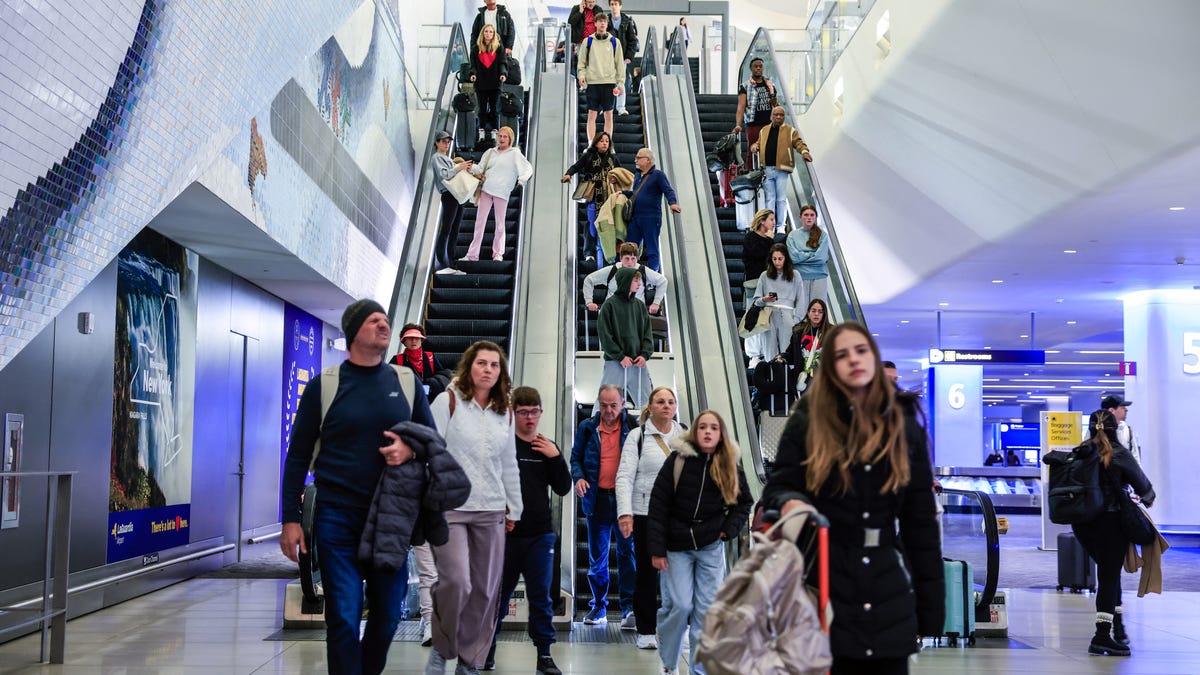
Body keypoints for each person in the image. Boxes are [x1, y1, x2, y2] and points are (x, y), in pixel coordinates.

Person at [762, 322, 944, 674]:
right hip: (825, 583)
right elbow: (777, 486)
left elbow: (920, 525)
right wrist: (789, 500)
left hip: (887, 585)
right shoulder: (808, 419)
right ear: (830, 366)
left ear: (874, 358)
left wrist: (930, 612)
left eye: (861, 351)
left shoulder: (903, 422)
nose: (853, 360)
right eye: (841, 355)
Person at [280, 299, 436, 675]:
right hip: (338, 516)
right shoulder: (325, 386)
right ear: (353, 333)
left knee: (386, 615)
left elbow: (431, 440)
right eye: (373, 320)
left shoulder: (406, 382)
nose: (384, 326)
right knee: (344, 616)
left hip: (389, 519)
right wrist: (291, 518)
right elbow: (298, 455)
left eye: (386, 320)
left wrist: (410, 445)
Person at [425, 341, 523, 675]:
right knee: (456, 582)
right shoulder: (448, 401)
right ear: (470, 367)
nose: (488, 370)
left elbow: (508, 462)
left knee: (484, 590)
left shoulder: (505, 411)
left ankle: (470, 660)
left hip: (492, 509)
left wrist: (515, 507)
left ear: (501, 373)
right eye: (482, 363)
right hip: (451, 507)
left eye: (495, 365)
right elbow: (430, 449)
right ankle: (442, 647)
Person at [647, 410, 753, 675]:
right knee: (680, 606)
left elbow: (744, 503)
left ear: (720, 434)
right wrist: (657, 550)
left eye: (713, 428)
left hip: (710, 547)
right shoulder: (678, 460)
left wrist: (726, 531)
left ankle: (699, 670)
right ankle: (669, 662)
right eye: (703, 427)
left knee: (706, 613)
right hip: (676, 547)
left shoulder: (729, 464)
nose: (707, 432)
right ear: (695, 431)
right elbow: (658, 506)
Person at [485, 386, 570, 675]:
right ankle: (486, 650)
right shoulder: (502, 445)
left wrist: (555, 456)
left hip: (539, 535)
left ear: (541, 412)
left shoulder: (547, 446)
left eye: (535, 411)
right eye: (524, 412)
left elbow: (563, 487)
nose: (530, 418)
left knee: (541, 598)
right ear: (513, 412)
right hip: (504, 536)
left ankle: (544, 655)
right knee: (497, 598)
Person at [1072, 409, 1155, 657]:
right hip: (1111, 522)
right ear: (1114, 428)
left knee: (1109, 575)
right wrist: (1144, 498)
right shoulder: (1118, 453)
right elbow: (1145, 487)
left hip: (1083, 524)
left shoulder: (1081, 452)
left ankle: (1117, 629)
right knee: (1108, 578)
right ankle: (1101, 636)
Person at [615, 386, 686, 648]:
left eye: (671, 401)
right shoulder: (638, 436)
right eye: (660, 401)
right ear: (650, 407)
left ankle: (681, 627)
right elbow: (624, 476)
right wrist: (625, 512)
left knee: (681, 572)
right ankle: (646, 630)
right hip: (646, 514)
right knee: (646, 572)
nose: (666, 406)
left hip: (678, 516)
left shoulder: (686, 436)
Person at [570, 384, 638, 626]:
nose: (609, 410)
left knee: (626, 554)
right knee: (597, 557)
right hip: (596, 499)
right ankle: (598, 607)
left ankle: (629, 608)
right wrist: (578, 477)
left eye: (613, 405)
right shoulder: (587, 428)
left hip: (624, 500)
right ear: (598, 405)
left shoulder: (633, 428)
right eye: (604, 405)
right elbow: (575, 458)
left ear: (622, 404)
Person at [466, 126, 532, 262]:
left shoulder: (515, 154)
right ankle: (472, 254)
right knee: (479, 223)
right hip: (486, 189)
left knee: (500, 224)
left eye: (505, 136)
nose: (501, 139)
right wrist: (469, 167)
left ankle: (498, 254)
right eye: (500, 136)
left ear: (510, 139)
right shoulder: (490, 152)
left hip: (502, 192)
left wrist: (522, 180)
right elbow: (480, 168)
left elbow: (527, 168)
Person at [598, 266, 654, 407]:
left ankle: (651, 429)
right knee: (606, 403)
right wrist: (619, 356)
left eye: (639, 280)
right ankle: (596, 429)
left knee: (648, 405)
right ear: (625, 281)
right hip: (615, 363)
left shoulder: (640, 306)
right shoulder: (609, 306)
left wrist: (644, 355)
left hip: (638, 363)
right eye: (635, 280)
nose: (639, 284)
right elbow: (605, 336)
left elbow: (647, 333)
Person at [562, 131, 622, 263]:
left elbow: (620, 173)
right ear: (595, 142)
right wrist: (568, 174)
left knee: (607, 223)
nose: (605, 143)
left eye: (607, 141)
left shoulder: (613, 158)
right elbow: (576, 166)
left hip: (609, 196)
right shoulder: (588, 155)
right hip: (594, 195)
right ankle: (589, 251)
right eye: (602, 141)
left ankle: (607, 251)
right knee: (592, 223)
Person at [749, 106, 812, 229]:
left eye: (781, 115)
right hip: (767, 169)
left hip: (782, 170)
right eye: (776, 114)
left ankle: (781, 227)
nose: (778, 117)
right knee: (770, 199)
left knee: (781, 199)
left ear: (784, 117)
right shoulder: (764, 130)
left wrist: (804, 152)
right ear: (771, 116)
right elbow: (759, 143)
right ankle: (768, 226)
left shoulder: (790, 130)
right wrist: (754, 146)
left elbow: (799, 143)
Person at [626, 148, 681, 272]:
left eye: (638, 158)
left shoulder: (658, 175)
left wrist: (672, 203)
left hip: (651, 218)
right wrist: (623, 193)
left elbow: (668, 190)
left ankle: (651, 278)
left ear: (647, 160)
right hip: (635, 218)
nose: (635, 160)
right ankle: (628, 274)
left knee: (652, 249)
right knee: (629, 248)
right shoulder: (638, 176)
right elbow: (635, 193)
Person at [751, 243, 804, 361]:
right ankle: (771, 378)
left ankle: (787, 378)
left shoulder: (795, 275)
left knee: (787, 353)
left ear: (786, 259)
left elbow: (801, 300)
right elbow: (756, 301)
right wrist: (764, 299)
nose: (777, 262)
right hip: (768, 315)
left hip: (788, 315)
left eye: (780, 258)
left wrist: (796, 320)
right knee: (769, 353)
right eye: (774, 259)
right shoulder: (764, 276)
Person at [577, 12, 625, 142]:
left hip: (609, 82)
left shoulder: (615, 42)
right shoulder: (588, 41)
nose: (602, 23)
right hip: (593, 82)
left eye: (605, 21)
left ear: (607, 23)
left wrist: (620, 83)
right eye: (600, 21)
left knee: (608, 114)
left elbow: (619, 64)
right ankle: (591, 144)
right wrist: (581, 75)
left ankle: (607, 143)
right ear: (595, 23)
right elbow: (581, 62)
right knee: (591, 114)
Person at [583, 242, 668, 315]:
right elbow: (589, 280)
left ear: (637, 259)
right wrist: (589, 302)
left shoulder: (643, 271)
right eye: (627, 258)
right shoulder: (612, 270)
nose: (630, 263)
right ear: (620, 258)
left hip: (636, 315)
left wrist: (656, 303)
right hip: (612, 315)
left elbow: (662, 281)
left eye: (633, 259)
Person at [430, 131, 471, 274]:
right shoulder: (437, 157)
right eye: (443, 141)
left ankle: (451, 264)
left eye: (448, 142)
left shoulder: (446, 158)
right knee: (447, 229)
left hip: (456, 194)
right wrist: (458, 167)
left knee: (454, 230)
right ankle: (442, 264)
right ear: (437, 142)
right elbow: (444, 175)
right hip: (449, 194)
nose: (446, 144)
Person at [742, 209, 778, 364]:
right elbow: (758, 254)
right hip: (754, 282)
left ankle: (766, 352)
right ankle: (754, 354)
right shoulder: (751, 237)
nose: (773, 222)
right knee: (753, 316)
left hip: (769, 282)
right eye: (771, 219)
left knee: (767, 317)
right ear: (762, 221)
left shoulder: (771, 239)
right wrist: (769, 240)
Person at [783, 297, 832, 397]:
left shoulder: (832, 332)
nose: (816, 314)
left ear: (824, 315)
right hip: (803, 371)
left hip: (823, 373)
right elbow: (791, 354)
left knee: (816, 372)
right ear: (808, 313)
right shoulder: (798, 332)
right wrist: (781, 357)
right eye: (813, 311)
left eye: (820, 312)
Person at [469, 24, 508, 145]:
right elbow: (473, 65)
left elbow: (502, 62)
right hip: (481, 83)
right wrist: (473, 74)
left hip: (495, 82)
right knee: (481, 109)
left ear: (494, 34)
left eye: (491, 32)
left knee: (494, 108)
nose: (488, 34)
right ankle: (481, 132)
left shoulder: (499, 48)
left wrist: (503, 74)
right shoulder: (476, 49)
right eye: (486, 31)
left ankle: (494, 132)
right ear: (482, 33)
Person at [733, 58, 776, 163]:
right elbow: (741, 106)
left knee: (770, 151)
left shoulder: (770, 86)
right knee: (752, 151)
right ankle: (752, 175)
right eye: (755, 66)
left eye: (760, 66)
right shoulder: (745, 86)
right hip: (754, 124)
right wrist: (738, 124)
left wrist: (774, 102)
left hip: (769, 124)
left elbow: (776, 105)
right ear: (751, 69)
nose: (758, 68)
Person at [786, 205, 830, 303]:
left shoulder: (823, 235)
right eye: (806, 215)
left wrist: (802, 255)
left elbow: (821, 258)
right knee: (801, 311)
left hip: (819, 277)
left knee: (819, 311)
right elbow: (793, 258)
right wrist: (812, 254)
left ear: (815, 217)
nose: (809, 217)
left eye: (812, 215)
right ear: (800, 217)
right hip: (800, 277)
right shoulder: (792, 235)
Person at [594, 168, 636, 264]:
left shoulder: (630, 190)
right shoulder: (610, 187)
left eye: (613, 177)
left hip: (622, 226)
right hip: (611, 222)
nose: (611, 180)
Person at [607, 0, 638, 116]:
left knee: (620, 82)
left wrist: (629, 56)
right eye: (612, 4)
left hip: (622, 58)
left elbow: (633, 40)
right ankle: (607, 106)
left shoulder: (627, 22)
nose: (614, 7)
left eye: (616, 4)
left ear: (620, 6)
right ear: (609, 6)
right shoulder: (606, 21)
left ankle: (620, 107)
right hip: (608, 58)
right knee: (607, 82)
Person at [1102, 395, 1143, 464]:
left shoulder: (1127, 430)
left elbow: (1135, 457)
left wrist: (1138, 473)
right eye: (1122, 407)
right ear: (1112, 410)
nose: (1126, 410)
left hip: (1124, 473)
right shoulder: (1097, 430)